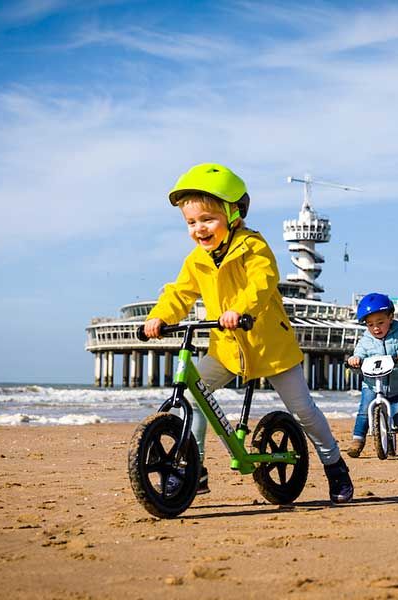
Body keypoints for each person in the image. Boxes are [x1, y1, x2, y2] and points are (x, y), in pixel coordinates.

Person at [143, 163, 354, 505]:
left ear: (233, 213)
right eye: (191, 223)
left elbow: (262, 282)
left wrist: (241, 310)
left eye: (207, 219)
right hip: (227, 349)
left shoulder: (253, 247)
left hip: (270, 347)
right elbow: (178, 293)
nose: (199, 229)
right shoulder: (197, 260)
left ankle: (334, 464)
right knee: (195, 395)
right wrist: (157, 318)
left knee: (303, 412)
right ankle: (192, 470)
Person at [346, 293, 398, 458]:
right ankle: (357, 440)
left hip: (397, 388)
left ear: (391, 317)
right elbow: (358, 355)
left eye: (380, 323)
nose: (376, 328)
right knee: (364, 412)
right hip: (372, 385)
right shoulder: (366, 340)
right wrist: (355, 360)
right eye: (370, 324)